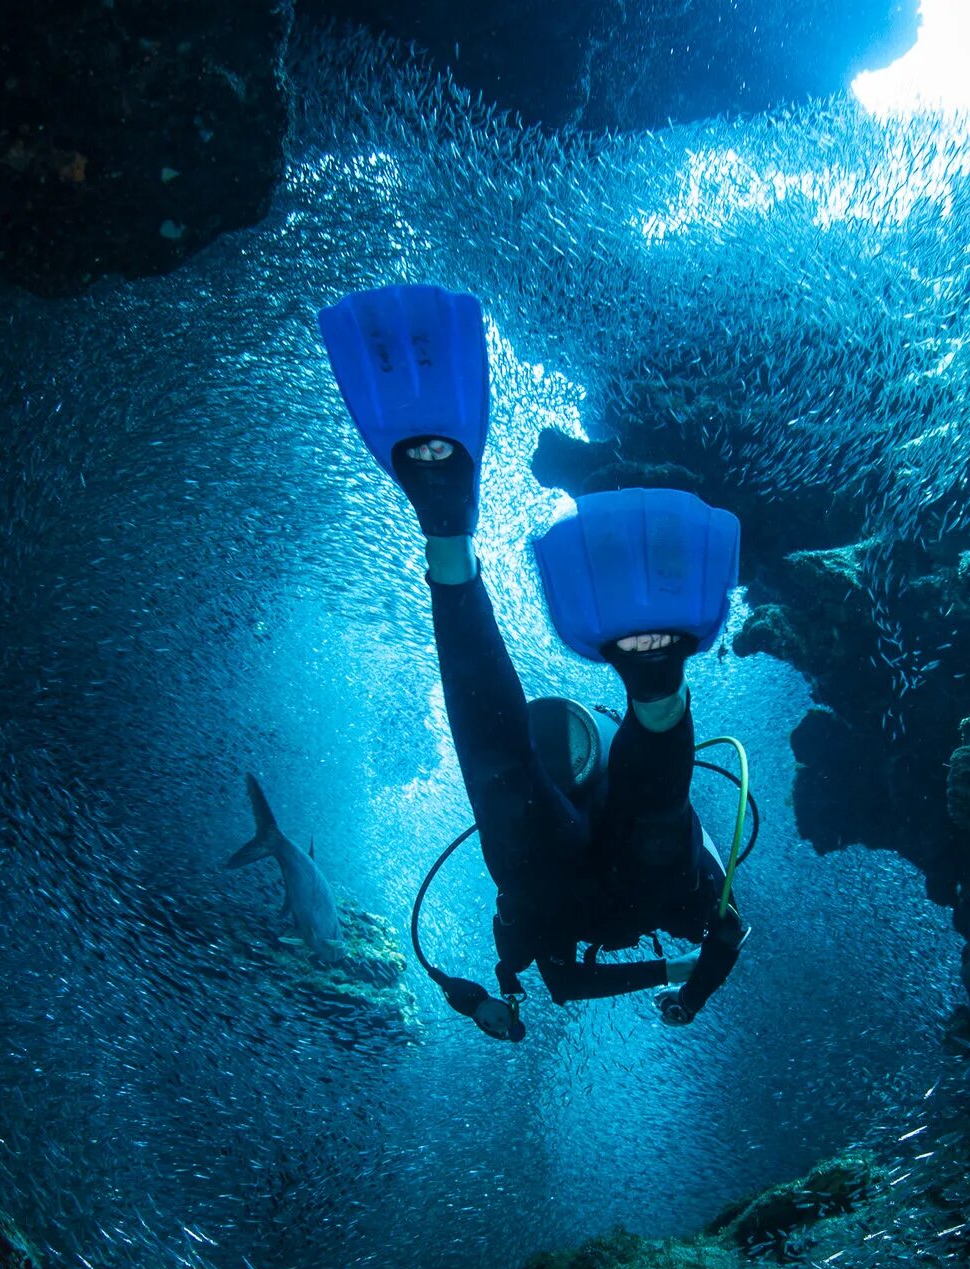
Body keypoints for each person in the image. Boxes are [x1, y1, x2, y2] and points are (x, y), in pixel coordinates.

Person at [320, 283, 747, 1037]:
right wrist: (685, 988)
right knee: (551, 791)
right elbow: (724, 936)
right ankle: (652, 691)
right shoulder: (684, 884)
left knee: (512, 784)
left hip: (568, 894)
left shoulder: (538, 918)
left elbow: (552, 982)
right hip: (636, 886)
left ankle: (453, 541)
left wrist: (495, 1000)